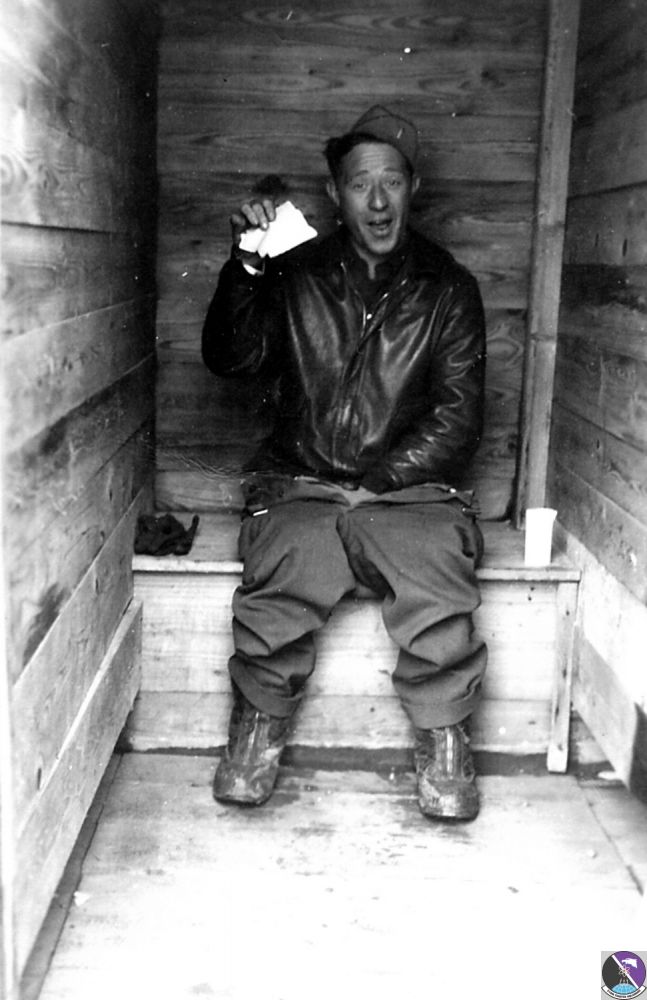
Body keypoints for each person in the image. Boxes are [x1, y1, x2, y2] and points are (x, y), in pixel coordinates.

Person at [202, 105, 487, 821]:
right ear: (336, 193)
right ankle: (256, 733)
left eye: (392, 181)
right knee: (284, 566)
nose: (378, 201)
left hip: (406, 489)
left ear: (414, 187)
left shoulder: (447, 287)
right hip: (303, 478)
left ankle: (444, 745)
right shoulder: (293, 272)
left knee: (437, 572)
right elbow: (232, 360)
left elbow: (456, 417)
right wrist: (245, 267)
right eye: (361, 184)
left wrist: (379, 484)